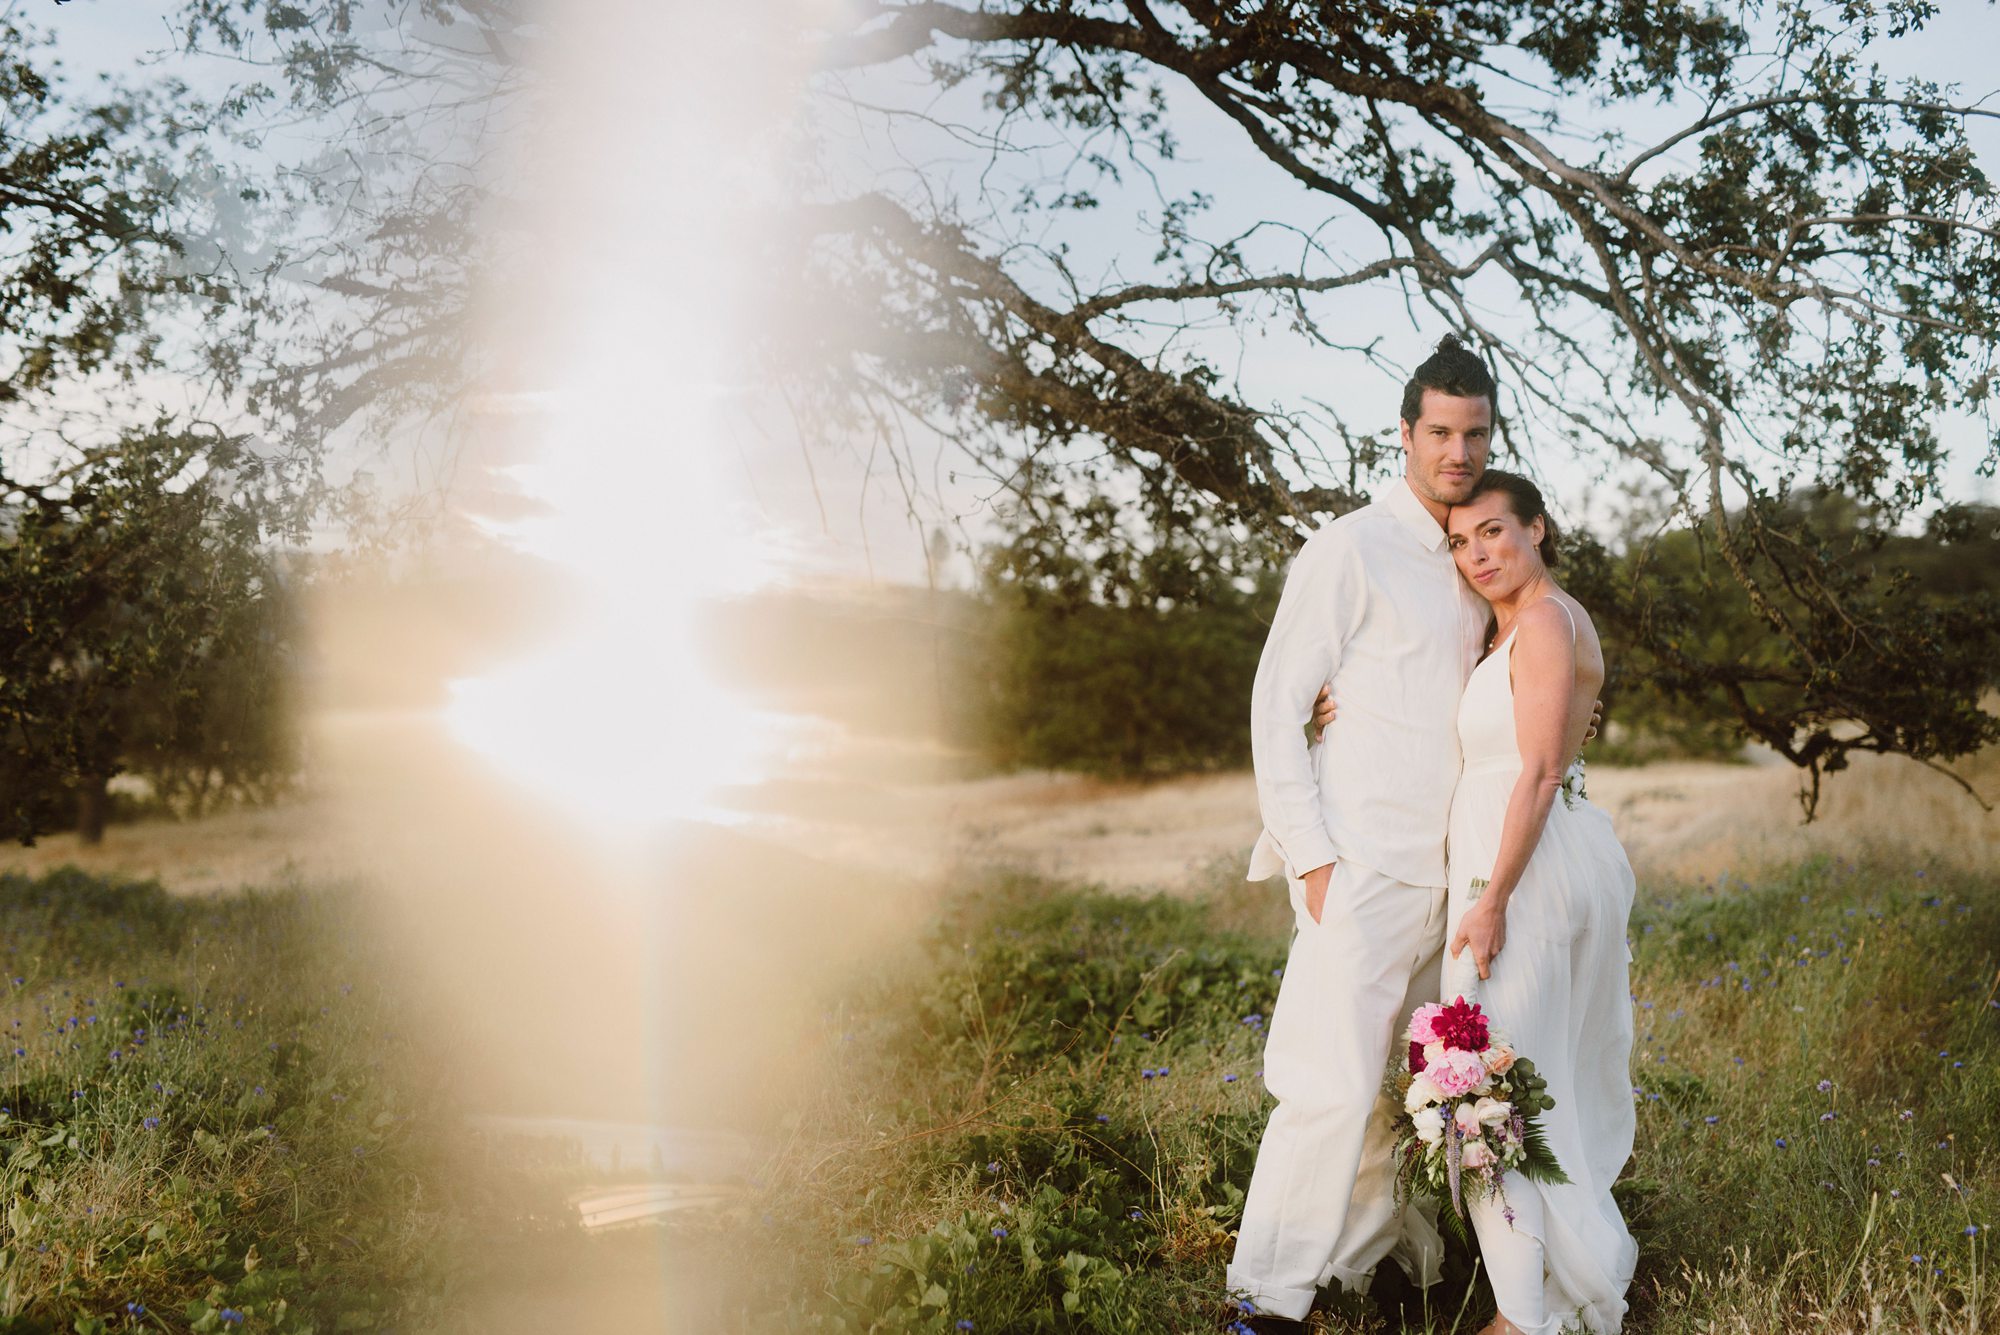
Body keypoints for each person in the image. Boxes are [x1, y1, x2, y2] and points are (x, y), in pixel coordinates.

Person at [1228, 335, 1499, 1331]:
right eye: (1437, 431)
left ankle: (1357, 1268)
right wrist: (1309, 859)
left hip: (1453, 875)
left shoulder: (1482, 553)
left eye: (1472, 433)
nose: (1455, 451)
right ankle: (1264, 1297)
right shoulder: (1348, 546)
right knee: (1327, 1089)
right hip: (1361, 865)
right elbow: (1275, 704)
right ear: (1404, 433)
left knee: (1408, 1093)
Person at [1436, 470, 1637, 1334]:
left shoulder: (1548, 620)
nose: (1477, 553)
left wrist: (1493, 898)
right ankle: (1535, 1286)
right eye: (1459, 540)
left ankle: (1526, 1311)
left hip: (1526, 873)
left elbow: (1544, 770)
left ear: (1538, 528)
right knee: (1505, 1076)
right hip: (1514, 861)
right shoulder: (1511, 627)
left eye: (1493, 532)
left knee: (1489, 1075)